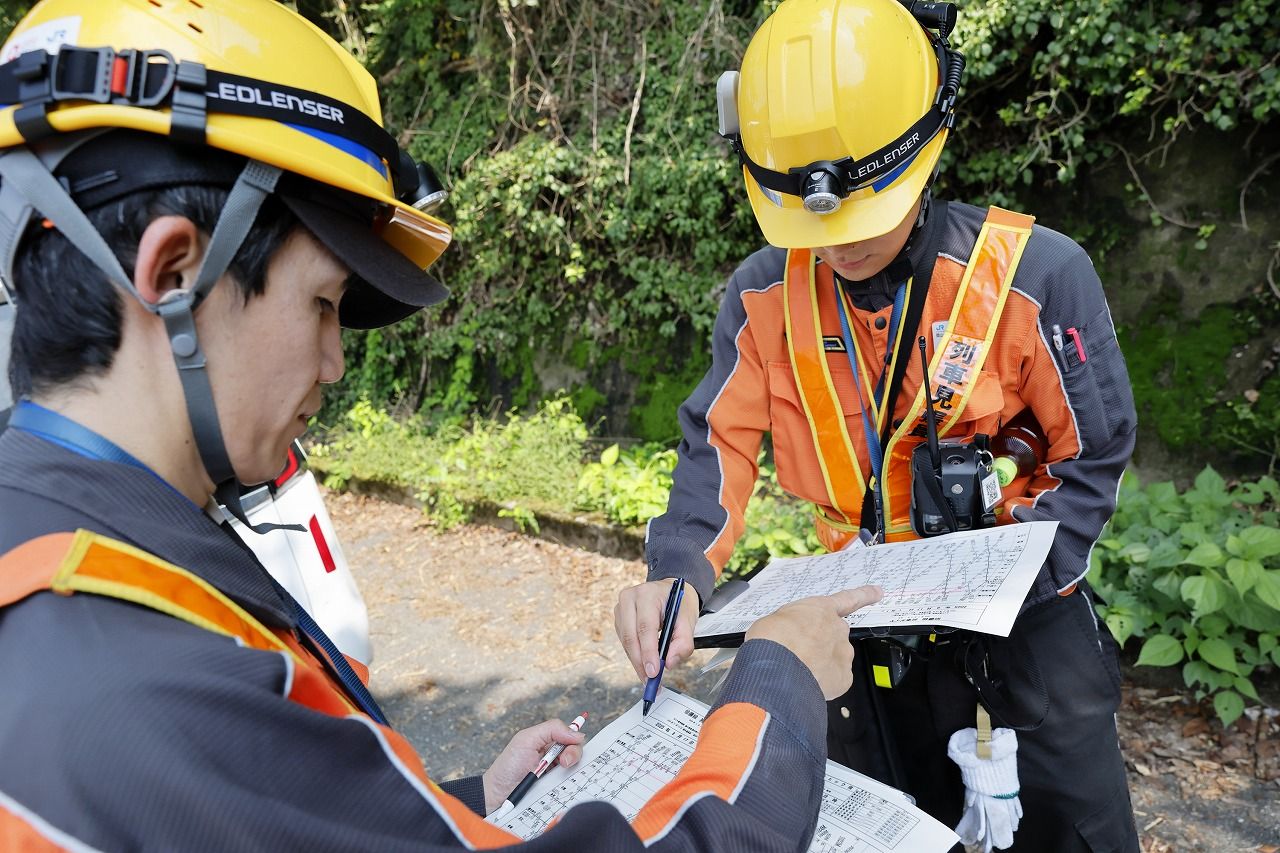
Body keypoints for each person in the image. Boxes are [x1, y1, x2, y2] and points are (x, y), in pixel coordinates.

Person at [0, 1, 884, 849]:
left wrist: (462, 805)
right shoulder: (146, 683)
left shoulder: (65, 556)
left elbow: (284, 815)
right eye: (322, 304)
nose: (334, 362)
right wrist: (780, 682)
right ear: (173, 272)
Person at [614, 1, 1140, 850]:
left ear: (924, 153)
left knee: (1072, 834)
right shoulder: (762, 294)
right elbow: (718, 443)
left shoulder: (1036, 273)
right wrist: (677, 572)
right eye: (811, 224)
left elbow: (1096, 449)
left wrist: (1013, 580)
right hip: (858, 635)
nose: (837, 244)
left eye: (862, 215)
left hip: (1023, 629)